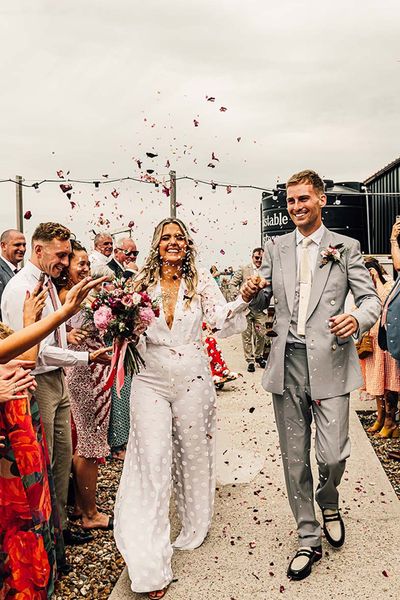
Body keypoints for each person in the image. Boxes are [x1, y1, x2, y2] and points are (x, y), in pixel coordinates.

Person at [243, 169, 380, 581]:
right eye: (290, 201)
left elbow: (370, 299)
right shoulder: (275, 246)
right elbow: (261, 301)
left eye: (304, 198)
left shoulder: (347, 247)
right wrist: (252, 293)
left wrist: (355, 319)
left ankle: (329, 498)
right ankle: (307, 536)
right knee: (294, 456)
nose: (296, 206)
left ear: (321, 199)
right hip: (287, 362)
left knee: (333, 453)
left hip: (332, 361)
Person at [114, 218, 250, 599]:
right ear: (156, 244)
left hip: (193, 377)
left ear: (188, 244)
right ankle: (150, 563)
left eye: (179, 238)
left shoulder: (201, 283)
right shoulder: (138, 286)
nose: (173, 243)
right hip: (150, 380)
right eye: (166, 238)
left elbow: (220, 322)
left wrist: (245, 297)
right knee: (152, 462)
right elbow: (121, 330)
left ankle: (194, 522)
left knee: (192, 454)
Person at [1, 222, 111, 547]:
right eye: (60, 254)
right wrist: (86, 359)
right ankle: (45, 539)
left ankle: (60, 529)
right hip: (34, 382)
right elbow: (33, 350)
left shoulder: (48, 284)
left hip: (56, 377)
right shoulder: (22, 289)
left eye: (67, 255)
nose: (64, 261)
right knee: (43, 461)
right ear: (40, 250)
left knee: (61, 458)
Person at [60, 240, 113, 529]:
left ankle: (83, 505)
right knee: (89, 445)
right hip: (83, 376)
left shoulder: (87, 293)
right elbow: (59, 331)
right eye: (80, 263)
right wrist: (68, 333)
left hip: (98, 372)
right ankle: (90, 515)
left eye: (87, 263)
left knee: (89, 442)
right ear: (66, 267)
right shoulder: (67, 296)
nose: (85, 268)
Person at [106, 236, 139, 460]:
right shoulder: (108, 269)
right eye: (130, 253)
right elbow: (114, 298)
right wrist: (129, 275)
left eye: (136, 254)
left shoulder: (121, 268)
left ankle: (123, 438)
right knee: (119, 391)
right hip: (113, 340)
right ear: (117, 252)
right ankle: (117, 444)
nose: (133, 257)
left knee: (125, 391)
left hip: (126, 337)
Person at [359, 257, 400, 438]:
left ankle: (391, 421)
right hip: (372, 340)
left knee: (389, 382)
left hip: (386, 338)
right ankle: (380, 417)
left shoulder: (389, 284)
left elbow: (387, 304)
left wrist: (377, 280)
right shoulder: (364, 289)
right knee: (376, 383)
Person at [229, 248, 268, 372]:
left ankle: (259, 356)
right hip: (246, 309)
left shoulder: (266, 271)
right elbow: (232, 284)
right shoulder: (244, 269)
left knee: (262, 334)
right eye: (257, 257)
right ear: (252, 257)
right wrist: (239, 297)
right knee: (246, 335)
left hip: (260, 309)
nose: (259, 260)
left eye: (261, 258)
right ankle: (250, 361)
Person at [0, 229, 26, 318]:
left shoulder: (23, 272)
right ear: (3, 246)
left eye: (24, 245)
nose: (22, 249)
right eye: (17, 245)